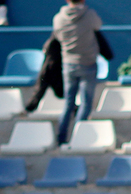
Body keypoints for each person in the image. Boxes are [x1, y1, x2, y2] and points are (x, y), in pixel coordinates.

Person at [53, 0, 102, 145]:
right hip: (88, 63)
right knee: (86, 103)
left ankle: (61, 138)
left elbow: (58, 36)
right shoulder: (90, 14)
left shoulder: (58, 18)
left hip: (68, 64)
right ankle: (77, 137)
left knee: (68, 103)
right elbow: (98, 26)